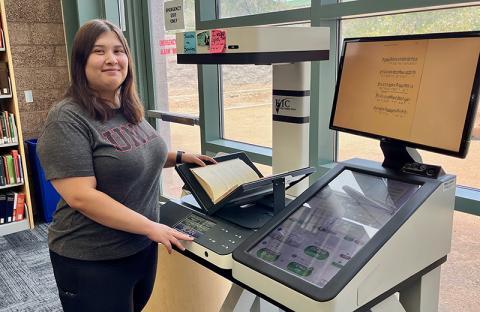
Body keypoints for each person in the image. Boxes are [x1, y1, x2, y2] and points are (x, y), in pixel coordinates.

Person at [37, 19, 214, 312]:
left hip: (139, 247)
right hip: (90, 256)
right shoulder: (67, 118)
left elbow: (134, 153)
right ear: (81, 60)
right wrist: (151, 227)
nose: (111, 59)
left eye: (118, 51)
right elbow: (81, 195)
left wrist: (180, 157)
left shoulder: (125, 106)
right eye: (99, 51)